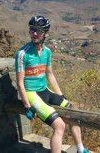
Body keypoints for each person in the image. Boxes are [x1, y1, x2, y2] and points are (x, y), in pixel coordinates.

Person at [15, 16, 89, 153]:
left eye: (38, 30)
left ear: (45, 33)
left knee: (73, 113)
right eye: (32, 30)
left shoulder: (47, 52)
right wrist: (27, 105)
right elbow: (20, 83)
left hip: (45, 90)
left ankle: (80, 149)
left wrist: (60, 95)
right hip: (32, 94)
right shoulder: (22, 54)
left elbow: (50, 74)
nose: (34, 33)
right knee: (59, 126)